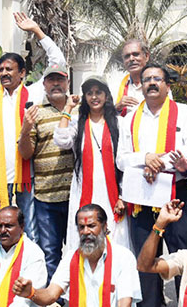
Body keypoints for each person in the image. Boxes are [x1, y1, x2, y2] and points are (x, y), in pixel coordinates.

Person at [0, 13, 67, 241]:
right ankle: (0, 275)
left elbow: (58, 61)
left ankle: (26, 276)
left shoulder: (34, 93)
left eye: (10, 69)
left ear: (22, 73)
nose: (4, 73)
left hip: (27, 179)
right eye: (1, 69)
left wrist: (37, 31)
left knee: (31, 234)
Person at [117, 62, 187, 307]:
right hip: (142, 197)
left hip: (176, 194)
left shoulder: (185, 113)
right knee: (146, 257)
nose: (152, 83)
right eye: (146, 79)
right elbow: (121, 159)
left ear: (166, 84)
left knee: (184, 253)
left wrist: (159, 162)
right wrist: (143, 158)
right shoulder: (130, 119)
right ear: (141, 86)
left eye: (157, 79)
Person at [11, 204, 142, 306]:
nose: (86, 232)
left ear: (104, 227)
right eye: (81, 227)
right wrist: (31, 293)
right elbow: (50, 294)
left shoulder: (123, 257)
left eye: (91, 226)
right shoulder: (71, 257)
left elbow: (124, 303)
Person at [54, 75, 130, 252]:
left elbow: (125, 162)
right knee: (85, 236)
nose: (94, 97)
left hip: (112, 192)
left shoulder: (119, 123)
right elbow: (61, 140)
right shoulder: (77, 123)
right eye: (90, 93)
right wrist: (68, 107)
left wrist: (122, 195)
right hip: (84, 191)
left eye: (98, 92)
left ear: (106, 96)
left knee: (115, 239)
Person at [17, 63, 76, 282]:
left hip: (76, 196)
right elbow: (25, 154)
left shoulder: (79, 110)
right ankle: (53, 300)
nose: (56, 84)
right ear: (44, 84)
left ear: (67, 82)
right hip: (46, 197)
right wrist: (25, 129)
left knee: (76, 250)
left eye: (60, 79)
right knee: (50, 253)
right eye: (51, 80)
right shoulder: (36, 113)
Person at [114, 38, 150, 115]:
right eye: (127, 56)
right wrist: (118, 107)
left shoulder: (158, 82)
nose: (131, 59)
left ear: (146, 56)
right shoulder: (116, 85)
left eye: (136, 54)